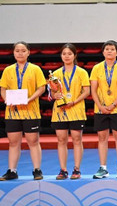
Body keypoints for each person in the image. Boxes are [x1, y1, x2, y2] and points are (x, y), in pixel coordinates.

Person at [0, 41, 46, 180]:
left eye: (23, 50)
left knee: (33, 141)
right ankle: (12, 170)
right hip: (12, 111)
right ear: (13, 53)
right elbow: (3, 89)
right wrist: (7, 99)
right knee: (13, 142)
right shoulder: (8, 70)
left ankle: (37, 170)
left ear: (28, 52)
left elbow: (42, 88)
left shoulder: (35, 69)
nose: (20, 53)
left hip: (31, 111)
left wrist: (30, 99)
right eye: (17, 51)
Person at [49, 44, 91, 180]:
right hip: (60, 111)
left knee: (77, 139)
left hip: (76, 109)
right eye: (64, 54)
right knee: (61, 140)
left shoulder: (82, 72)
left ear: (74, 55)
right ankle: (63, 169)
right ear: (61, 56)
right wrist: (54, 96)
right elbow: (52, 92)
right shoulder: (55, 74)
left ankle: (77, 169)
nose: (66, 56)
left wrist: (75, 101)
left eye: (69, 54)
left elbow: (87, 91)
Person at [90, 40, 117, 179]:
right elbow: (93, 89)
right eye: (106, 49)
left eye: (112, 49)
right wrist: (100, 106)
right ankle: (103, 167)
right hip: (100, 108)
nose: (109, 51)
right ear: (103, 52)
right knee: (102, 138)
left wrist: (112, 105)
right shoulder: (96, 68)